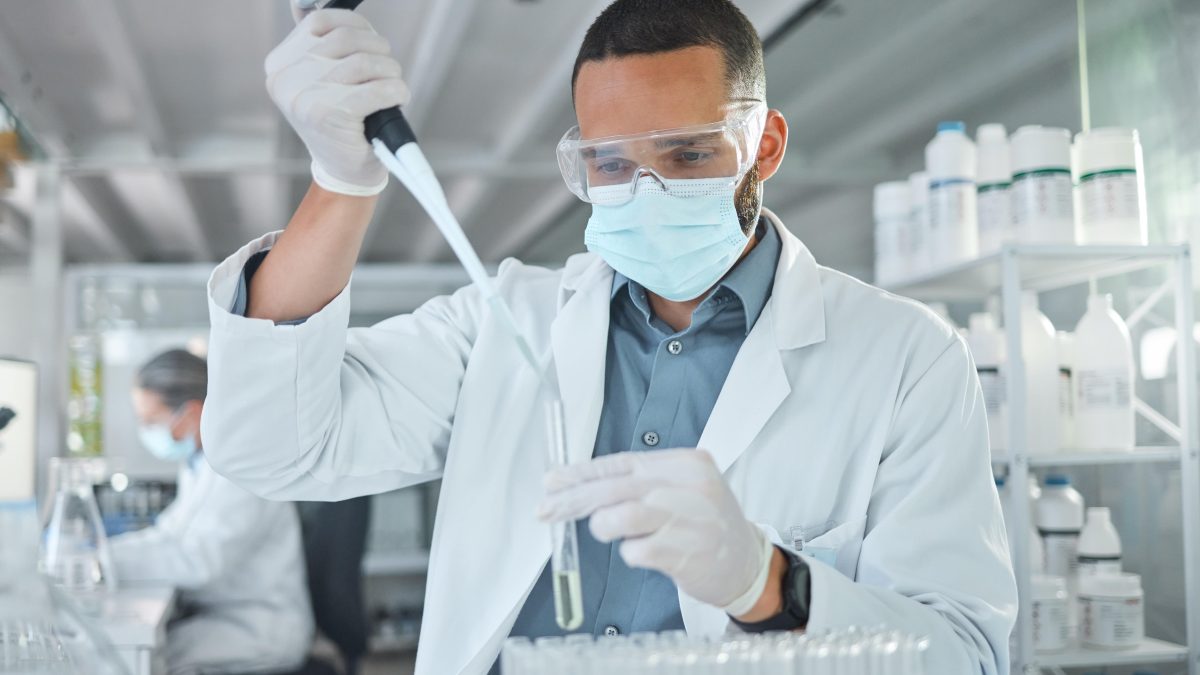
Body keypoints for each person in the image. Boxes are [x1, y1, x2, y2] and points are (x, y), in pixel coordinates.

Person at [201, 1, 1017, 673]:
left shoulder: (906, 358)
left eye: (688, 154)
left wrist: (769, 584)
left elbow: (967, 654)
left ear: (763, 147)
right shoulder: (503, 323)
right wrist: (343, 178)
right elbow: (272, 445)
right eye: (612, 164)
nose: (647, 191)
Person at [110, 349, 314, 675]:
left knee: (147, 661)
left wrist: (105, 563)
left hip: (258, 624)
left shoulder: (245, 465)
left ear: (192, 412)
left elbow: (200, 561)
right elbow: (167, 534)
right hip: (222, 614)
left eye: (151, 421)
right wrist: (103, 553)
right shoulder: (199, 462)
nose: (146, 430)